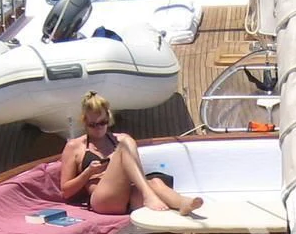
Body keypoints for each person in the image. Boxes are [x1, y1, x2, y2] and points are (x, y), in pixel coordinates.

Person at [58, 92, 202, 216]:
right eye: (93, 125)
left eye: (103, 123)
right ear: (84, 122)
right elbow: (66, 191)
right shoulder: (75, 147)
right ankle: (148, 195)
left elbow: (136, 168)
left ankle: (183, 203)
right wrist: (88, 172)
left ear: (108, 119)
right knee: (125, 146)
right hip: (103, 199)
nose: (98, 128)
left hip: (128, 193)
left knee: (155, 181)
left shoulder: (120, 138)